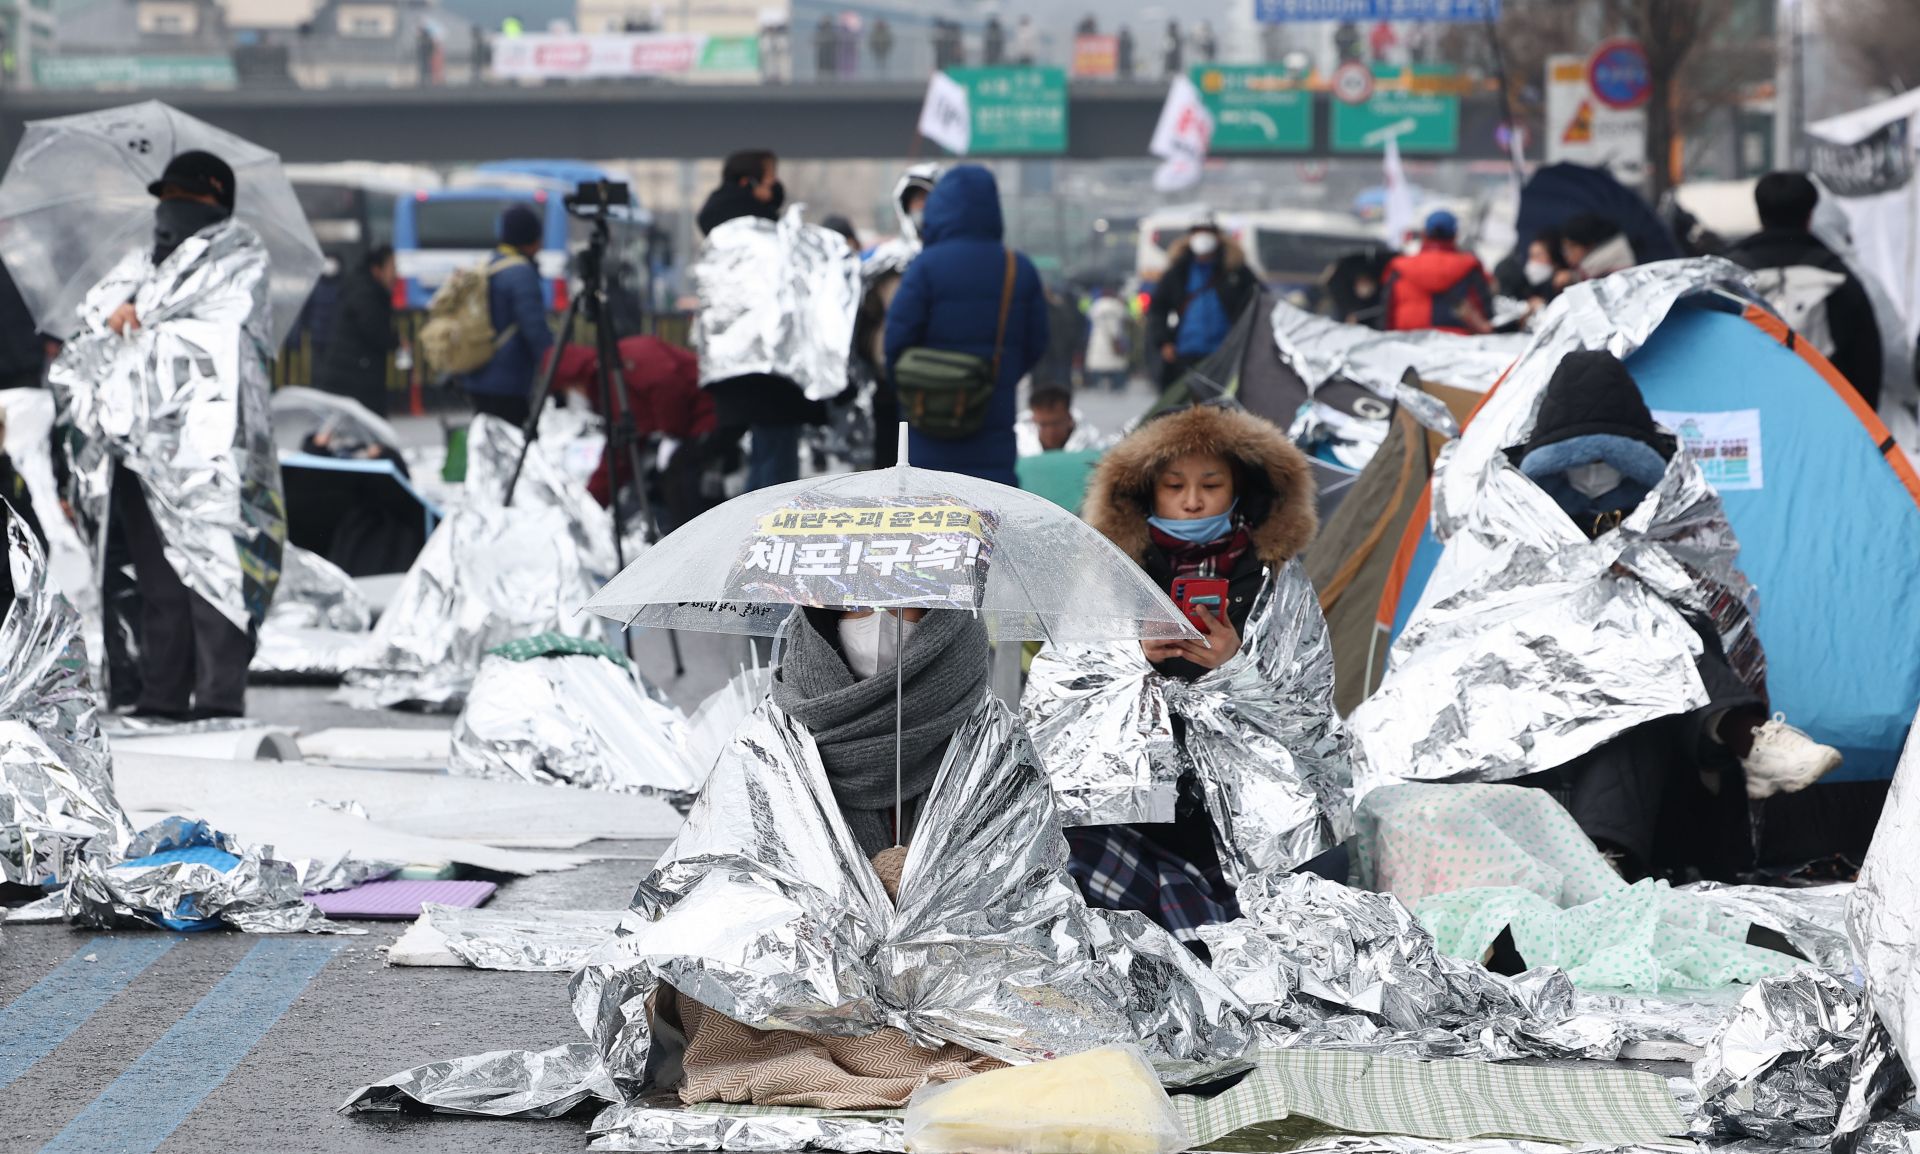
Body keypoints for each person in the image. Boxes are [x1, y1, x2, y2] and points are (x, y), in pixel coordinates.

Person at [1025, 401, 1350, 951]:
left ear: (1241, 489)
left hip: (1247, 812)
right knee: (1076, 885)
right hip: (1126, 811)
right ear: (1146, 490)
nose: (1193, 500)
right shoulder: (1106, 573)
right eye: (1174, 485)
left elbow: (1309, 710)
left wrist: (1234, 668)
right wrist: (1133, 660)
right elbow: (1053, 696)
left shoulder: (1275, 578)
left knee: (1299, 922)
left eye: (1211, 484)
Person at [1504, 351, 1843, 878]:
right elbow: (1484, 626)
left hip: (1659, 732)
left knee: (1646, 653)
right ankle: (1745, 735)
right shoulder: (1513, 526)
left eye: (1609, 464)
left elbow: (1711, 607)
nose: (1594, 478)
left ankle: (1606, 855)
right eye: (1579, 465)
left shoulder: (1668, 522)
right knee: (1630, 645)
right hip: (1532, 711)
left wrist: (1639, 590)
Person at [48, 149, 282, 720]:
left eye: (186, 198)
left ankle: (220, 702)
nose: (171, 210)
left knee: (219, 574)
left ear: (217, 199)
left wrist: (139, 311)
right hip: (137, 453)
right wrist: (114, 310)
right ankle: (160, 698)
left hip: (211, 449)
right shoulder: (138, 265)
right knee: (156, 582)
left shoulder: (239, 255)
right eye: (165, 199)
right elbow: (93, 323)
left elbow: (213, 329)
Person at [883, 165, 1048, 486]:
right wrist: (1000, 376)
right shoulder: (1018, 268)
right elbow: (1036, 343)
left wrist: (913, 388)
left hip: (927, 418)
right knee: (987, 513)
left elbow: (895, 343)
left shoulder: (924, 268)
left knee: (930, 514)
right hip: (991, 417)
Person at [696, 149, 821, 491]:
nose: (776, 187)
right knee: (777, 470)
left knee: (765, 458)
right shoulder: (754, 235)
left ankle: (755, 529)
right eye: (770, 180)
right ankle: (768, 534)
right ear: (746, 183)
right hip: (769, 369)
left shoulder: (719, 230)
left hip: (734, 368)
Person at [1726, 172, 1884, 408]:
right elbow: (1866, 362)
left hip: (1746, 415)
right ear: (1810, 215)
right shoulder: (1838, 275)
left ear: (1760, 212)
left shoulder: (1730, 274)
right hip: (1823, 414)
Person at [549, 335, 718, 530]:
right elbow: (621, 452)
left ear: (573, 381)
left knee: (680, 477)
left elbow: (666, 384)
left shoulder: (621, 364)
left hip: (708, 411)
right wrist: (590, 503)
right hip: (692, 422)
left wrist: (672, 432)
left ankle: (694, 539)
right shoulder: (607, 386)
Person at [857, 164, 941, 469]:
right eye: (915, 201)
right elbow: (865, 318)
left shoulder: (948, 258)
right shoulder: (885, 261)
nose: (921, 209)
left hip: (934, 381)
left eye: (928, 199)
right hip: (888, 383)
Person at [457, 204, 552, 428]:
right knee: (513, 444)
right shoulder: (521, 273)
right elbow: (534, 329)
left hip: (479, 372)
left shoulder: (487, 264)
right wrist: (555, 366)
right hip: (509, 379)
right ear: (530, 239)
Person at [1146, 216, 1258, 385]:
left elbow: (1256, 303)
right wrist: (1163, 341)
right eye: (1198, 233)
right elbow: (1157, 309)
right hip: (1186, 351)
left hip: (1226, 353)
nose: (1203, 238)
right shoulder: (1178, 272)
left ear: (1218, 238)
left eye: (1208, 233)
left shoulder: (1236, 271)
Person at [314, 245, 400, 417]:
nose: (395, 274)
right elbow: (375, 331)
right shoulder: (366, 294)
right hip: (355, 377)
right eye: (391, 267)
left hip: (354, 373)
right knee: (367, 430)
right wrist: (396, 341)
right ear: (377, 270)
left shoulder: (362, 287)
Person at [1383, 210, 1493, 335]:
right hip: (1460, 343)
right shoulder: (1470, 266)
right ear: (1455, 234)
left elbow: (1386, 314)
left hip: (1406, 343)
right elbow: (1486, 312)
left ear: (1425, 233)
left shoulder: (1398, 267)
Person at [1560, 213, 1636, 282]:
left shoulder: (1590, 268)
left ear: (1589, 243)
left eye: (1572, 246)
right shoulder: (1616, 246)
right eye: (1564, 249)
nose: (1566, 254)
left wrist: (1572, 277)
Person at [1083, 287, 1131, 392]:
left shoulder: (1096, 305)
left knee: (1097, 366)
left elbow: (1088, 316)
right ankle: (1117, 388)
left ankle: (1096, 387)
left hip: (1098, 340)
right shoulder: (1118, 306)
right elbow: (1127, 317)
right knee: (1117, 367)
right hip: (1115, 340)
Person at [1027, 385, 1076, 452]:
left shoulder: (1092, 445)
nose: (1050, 431)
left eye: (1056, 423)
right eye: (1043, 424)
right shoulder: (1018, 447)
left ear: (1069, 418)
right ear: (1033, 420)